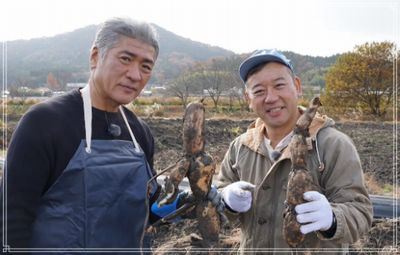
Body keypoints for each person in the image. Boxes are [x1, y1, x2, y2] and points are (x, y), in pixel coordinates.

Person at [0, 17, 183, 252]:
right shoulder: (44, 123)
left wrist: (198, 198)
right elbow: (12, 220)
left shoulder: (139, 133)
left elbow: (148, 206)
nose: (135, 75)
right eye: (125, 59)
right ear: (95, 57)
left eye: (146, 66)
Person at [214, 49, 373, 252]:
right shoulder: (241, 147)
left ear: (297, 86)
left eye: (279, 85)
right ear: (248, 98)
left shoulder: (332, 145)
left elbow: (360, 212)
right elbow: (218, 205)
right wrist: (226, 201)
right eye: (259, 91)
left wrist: (333, 219)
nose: (271, 98)